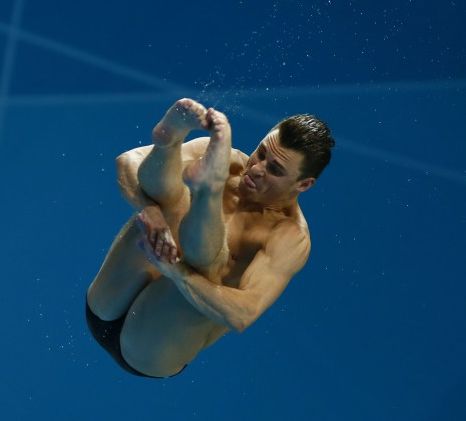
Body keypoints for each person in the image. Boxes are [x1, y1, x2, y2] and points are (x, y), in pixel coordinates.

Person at [86, 98, 334, 378]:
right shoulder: (224, 157)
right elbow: (128, 162)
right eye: (261, 152)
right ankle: (169, 143)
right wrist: (150, 211)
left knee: (207, 265)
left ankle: (208, 192)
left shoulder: (289, 237)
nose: (256, 169)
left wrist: (178, 273)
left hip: (150, 349)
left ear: (304, 184)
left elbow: (243, 314)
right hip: (105, 304)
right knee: (169, 207)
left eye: (275, 170)